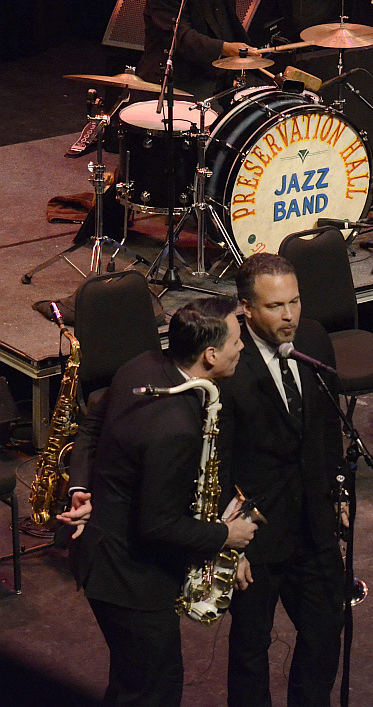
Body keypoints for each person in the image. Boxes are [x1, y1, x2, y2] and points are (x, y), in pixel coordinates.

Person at [68, 296, 257, 706]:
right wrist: (226, 534)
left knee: (138, 684)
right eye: (237, 341)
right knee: (150, 690)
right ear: (210, 354)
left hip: (106, 557)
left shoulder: (142, 365)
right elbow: (157, 525)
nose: (242, 347)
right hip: (129, 580)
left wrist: (81, 487)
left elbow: (91, 427)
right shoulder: (176, 428)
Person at [218, 253, 345, 707]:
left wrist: (337, 491)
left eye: (295, 302)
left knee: (327, 629)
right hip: (257, 532)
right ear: (246, 309)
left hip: (313, 522)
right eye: (275, 306)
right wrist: (227, 539)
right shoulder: (229, 360)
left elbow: (327, 424)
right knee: (251, 647)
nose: (289, 315)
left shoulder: (313, 339)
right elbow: (216, 460)